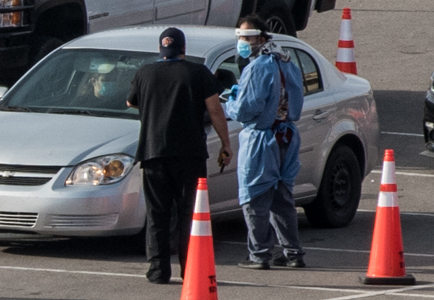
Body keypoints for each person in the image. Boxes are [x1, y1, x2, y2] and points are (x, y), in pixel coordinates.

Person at [125, 26, 231, 283]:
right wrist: (226, 144)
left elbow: (130, 102)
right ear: (183, 48)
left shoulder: (144, 73)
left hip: (152, 153)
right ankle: (190, 269)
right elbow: (215, 110)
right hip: (189, 154)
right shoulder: (198, 73)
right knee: (188, 214)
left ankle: (158, 270)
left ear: (161, 49)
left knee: (157, 214)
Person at [227, 22, 309, 270]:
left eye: (246, 37)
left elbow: (245, 109)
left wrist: (229, 102)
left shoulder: (257, 68)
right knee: (283, 199)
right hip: (288, 137)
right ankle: (293, 252)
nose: (241, 42)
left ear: (260, 38)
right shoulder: (286, 61)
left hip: (261, 139)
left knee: (254, 198)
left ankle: (259, 254)